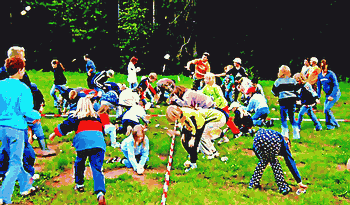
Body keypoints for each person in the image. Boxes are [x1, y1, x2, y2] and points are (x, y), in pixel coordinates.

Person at [49, 97, 107, 205]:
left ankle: (79, 185)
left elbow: (65, 126)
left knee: (80, 163)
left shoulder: (76, 117)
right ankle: (100, 193)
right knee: (97, 168)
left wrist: (54, 133)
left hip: (83, 142)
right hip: (98, 142)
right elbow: (102, 130)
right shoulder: (97, 117)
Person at [0, 57, 41, 204]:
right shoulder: (23, 88)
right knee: (15, 163)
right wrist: (37, 115)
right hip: (16, 128)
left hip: (2, 129)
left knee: (13, 158)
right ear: (20, 70)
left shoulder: (0, 85)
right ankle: (4, 197)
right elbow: (26, 111)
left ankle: (25, 187)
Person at [248, 128, 308, 195]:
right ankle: (283, 188)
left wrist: (262, 157)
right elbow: (290, 162)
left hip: (257, 139)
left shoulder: (275, 134)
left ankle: (253, 183)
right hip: (271, 140)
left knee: (263, 160)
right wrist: (299, 181)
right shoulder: (284, 144)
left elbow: (255, 148)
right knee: (274, 163)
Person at [27, 83, 56, 156]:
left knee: (38, 131)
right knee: (30, 130)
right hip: (28, 114)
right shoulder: (26, 94)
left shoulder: (37, 92)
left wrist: (41, 106)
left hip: (35, 113)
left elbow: (42, 100)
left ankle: (44, 148)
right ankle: (27, 150)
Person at [272, 65, 300, 139]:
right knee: (292, 117)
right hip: (292, 100)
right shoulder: (293, 81)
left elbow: (274, 92)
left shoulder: (278, 81)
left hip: (283, 100)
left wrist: (278, 94)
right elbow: (298, 90)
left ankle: (285, 134)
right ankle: (296, 134)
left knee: (283, 117)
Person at [317, 59, 341, 130]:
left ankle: (330, 126)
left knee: (327, 109)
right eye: (322, 66)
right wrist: (318, 97)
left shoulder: (331, 74)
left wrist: (332, 96)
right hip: (328, 95)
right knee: (326, 110)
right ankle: (336, 124)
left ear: (327, 66)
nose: (323, 68)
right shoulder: (320, 76)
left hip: (335, 94)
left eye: (324, 66)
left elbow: (336, 86)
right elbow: (319, 87)